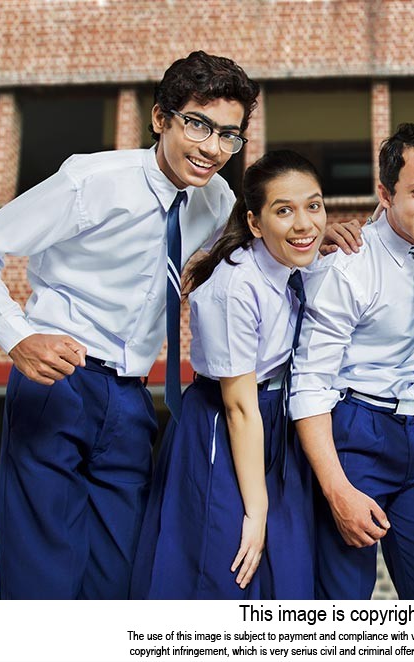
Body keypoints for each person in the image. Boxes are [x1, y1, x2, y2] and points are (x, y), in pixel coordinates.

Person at [0, 51, 259, 599]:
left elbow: (258, 243)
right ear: (160, 118)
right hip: (59, 384)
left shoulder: (217, 198)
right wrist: (17, 336)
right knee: (44, 577)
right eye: (198, 124)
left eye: (228, 134)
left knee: (120, 578)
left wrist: (331, 242)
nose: (212, 148)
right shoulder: (92, 180)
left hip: (132, 401)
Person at [130, 150, 322, 599]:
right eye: (284, 210)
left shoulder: (295, 261)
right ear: (255, 223)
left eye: (313, 206)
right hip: (226, 421)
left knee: (285, 575)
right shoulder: (234, 287)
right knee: (225, 566)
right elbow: (238, 407)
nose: (304, 223)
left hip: (276, 418)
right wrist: (255, 511)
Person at [290, 123, 414, 599]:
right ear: (385, 194)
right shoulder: (347, 266)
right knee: (342, 603)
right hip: (355, 435)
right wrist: (337, 490)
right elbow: (308, 386)